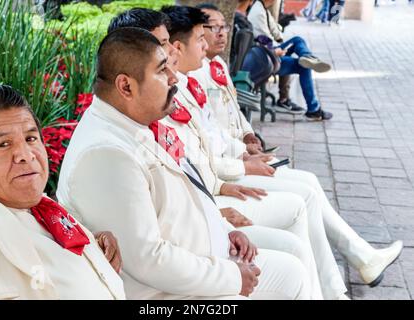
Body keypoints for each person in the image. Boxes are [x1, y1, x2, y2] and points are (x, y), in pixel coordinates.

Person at [57, 27, 312, 300]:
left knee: (293, 269)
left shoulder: (132, 122)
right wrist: (231, 277)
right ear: (126, 86)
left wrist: (225, 232)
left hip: (200, 265)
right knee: (289, 275)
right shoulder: (106, 154)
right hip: (166, 296)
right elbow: (147, 260)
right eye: (162, 70)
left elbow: (190, 193)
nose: (173, 78)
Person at [188, 2, 404, 299]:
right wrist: (242, 163)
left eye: (222, 28)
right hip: (222, 179)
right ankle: (340, 279)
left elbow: (226, 122)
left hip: (232, 163)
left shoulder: (214, 66)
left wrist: (249, 136)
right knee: (302, 199)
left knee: (309, 184)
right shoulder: (184, 82)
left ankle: (351, 269)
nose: (221, 35)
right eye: (208, 31)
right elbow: (203, 151)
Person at [0, 85, 125, 299]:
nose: (26, 155)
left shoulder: (36, 207)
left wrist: (92, 254)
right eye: (3, 144)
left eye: (31, 139)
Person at [248, 0, 334, 120]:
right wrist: (278, 49)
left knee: (297, 41)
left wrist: (280, 44)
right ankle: (313, 109)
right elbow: (264, 41)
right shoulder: (258, 11)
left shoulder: (261, 8)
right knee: (304, 66)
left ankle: (307, 56)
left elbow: (275, 34)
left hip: (268, 52)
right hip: (266, 58)